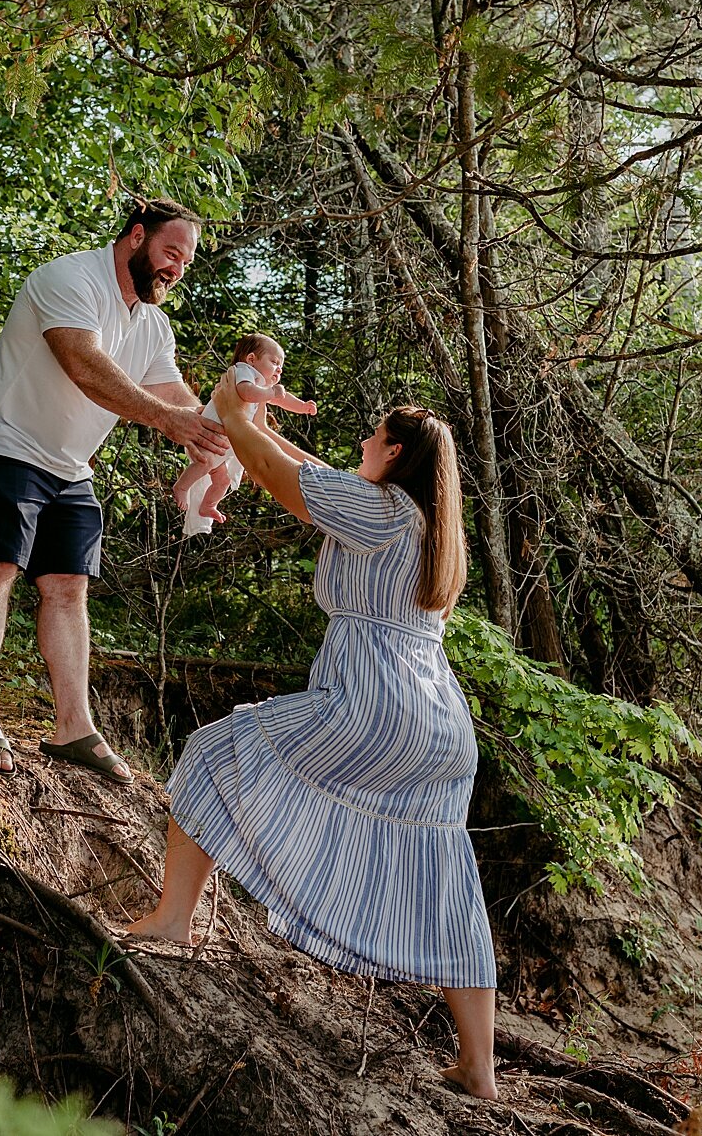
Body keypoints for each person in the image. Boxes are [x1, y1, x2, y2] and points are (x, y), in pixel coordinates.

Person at [123, 387, 501, 1101]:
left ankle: (174, 919)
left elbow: (283, 479)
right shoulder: (430, 525)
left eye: (371, 435)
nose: (361, 443)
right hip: (444, 727)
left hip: (375, 706)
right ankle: (479, 1068)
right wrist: (260, 429)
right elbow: (316, 472)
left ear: (393, 453)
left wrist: (235, 416)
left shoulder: (379, 510)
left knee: (211, 752)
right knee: (448, 881)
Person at [0, 197, 227, 783]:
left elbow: (173, 394)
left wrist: (219, 439)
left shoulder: (152, 323)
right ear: (135, 238)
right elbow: (85, 365)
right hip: (5, 442)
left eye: (187, 260)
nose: (177, 267)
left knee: (69, 587)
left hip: (71, 466)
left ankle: (73, 728)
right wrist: (171, 423)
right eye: (170, 251)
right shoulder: (68, 278)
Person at [173, 333, 317, 536]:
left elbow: (281, 396)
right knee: (204, 465)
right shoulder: (243, 372)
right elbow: (246, 392)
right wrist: (271, 394)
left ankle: (208, 505)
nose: (279, 368)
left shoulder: (262, 384)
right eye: (274, 362)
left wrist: (301, 407)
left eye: (281, 365)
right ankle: (181, 487)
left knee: (222, 481)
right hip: (207, 437)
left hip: (222, 445)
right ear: (251, 359)